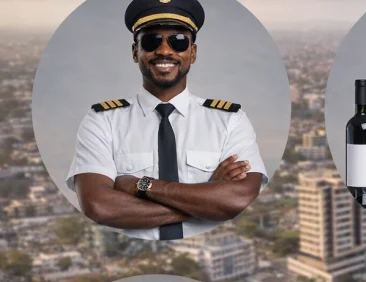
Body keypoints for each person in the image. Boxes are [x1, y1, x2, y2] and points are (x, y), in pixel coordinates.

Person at [67, 0, 268, 241]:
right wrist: (207, 198)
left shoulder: (230, 121)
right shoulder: (102, 121)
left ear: (192, 53)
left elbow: (238, 199)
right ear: (135, 52)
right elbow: (99, 206)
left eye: (178, 41)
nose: (164, 50)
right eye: (151, 41)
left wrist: (142, 185)